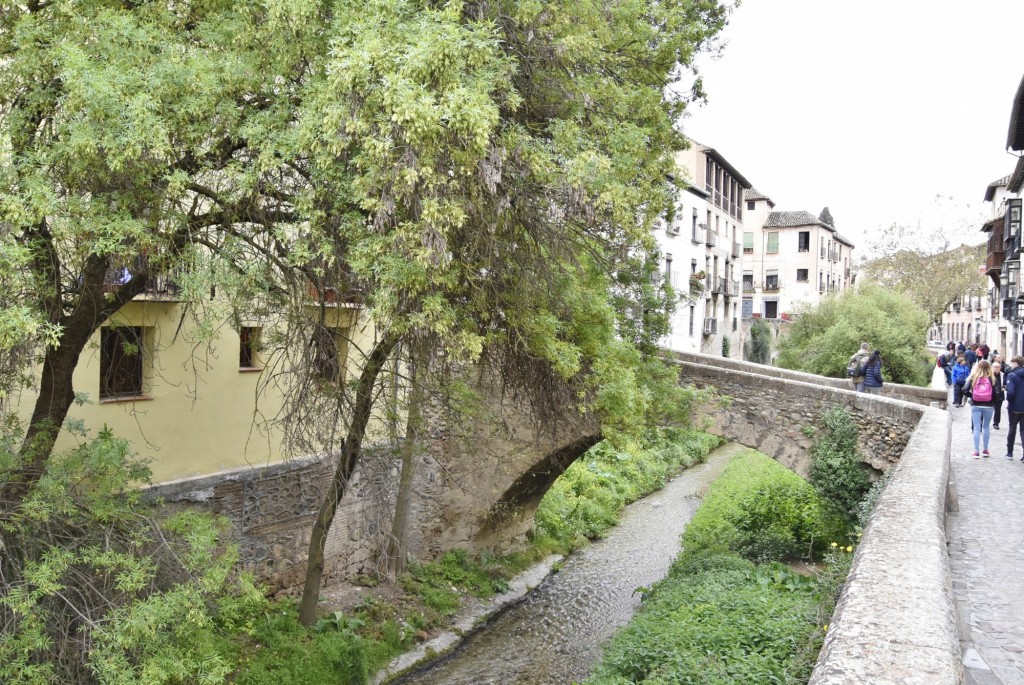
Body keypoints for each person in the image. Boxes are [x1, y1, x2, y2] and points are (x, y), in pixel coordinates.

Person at [963, 359, 997, 458]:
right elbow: (997, 393)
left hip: (976, 405)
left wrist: (972, 396)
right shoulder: (992, 378)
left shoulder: (974, 377)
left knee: (977, 428)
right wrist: (992, 400)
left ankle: (976, 451)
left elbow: (964, 389)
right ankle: (985, 450)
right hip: (988, 405)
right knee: (986, 427)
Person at [1006, 356, 1024, 460]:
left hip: (1014, 407)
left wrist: (1009, 400)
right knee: (1023, 431)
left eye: (1012, 363)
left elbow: (1011, 392)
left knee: (1012, 429)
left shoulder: (1012, 375)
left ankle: (1009, 453)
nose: (1011, 365)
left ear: (1016, 363)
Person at [992, 361, 1005, 430]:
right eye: (995, 367)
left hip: (999, 395)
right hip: (990, 395)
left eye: (998, 367)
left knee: (997, 410)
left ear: (1000, 368)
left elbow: (1005, 384)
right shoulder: (989, 375)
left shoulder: (1003, 375)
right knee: (987, 410)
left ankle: (996, 423)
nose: (997, 368)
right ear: (992, 368)